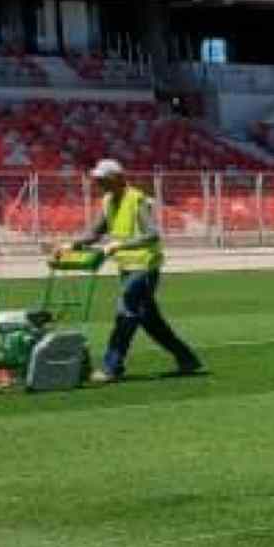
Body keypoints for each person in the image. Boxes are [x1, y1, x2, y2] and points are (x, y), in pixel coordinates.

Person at [70, 159, 203, 382]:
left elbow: (152, 234)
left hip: (145, 266)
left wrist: (121, 245)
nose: (98, 183)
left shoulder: (136, 199)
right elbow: (94, 233)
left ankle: (112, 367)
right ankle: (187, 359)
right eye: (97, 180)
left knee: (126, 312)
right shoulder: (108, 201)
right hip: (126, 267)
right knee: (151, 322)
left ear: (118, 178)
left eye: (103, 179)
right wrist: (72, 244)